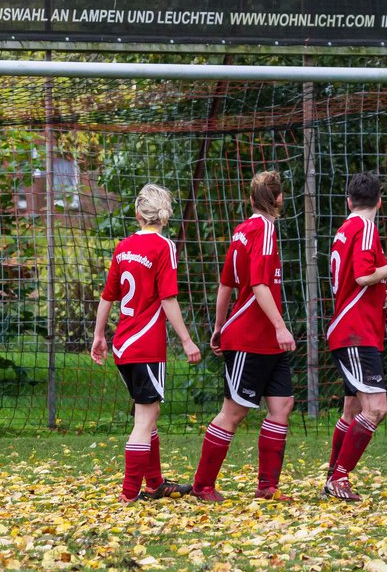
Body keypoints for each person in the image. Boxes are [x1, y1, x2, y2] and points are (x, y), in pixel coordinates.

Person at [90, 184, 202, 503]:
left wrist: (99, 336)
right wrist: (186, 340)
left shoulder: (123, 246)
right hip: (147, 345)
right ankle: (128, 494)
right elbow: (168, 298)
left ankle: (155, 484)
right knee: (144, 421)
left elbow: (107, 296)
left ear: (138, 214)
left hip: (123, 345)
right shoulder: (164, 247)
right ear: (164, 216)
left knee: (148, 417)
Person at [189, 169, 296, 502]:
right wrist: (279, 325)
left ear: (251, 199)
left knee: (282, 405)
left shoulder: (242, 230)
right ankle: (202, 485)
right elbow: (258, 285)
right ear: (278, 199)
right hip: (252, 338)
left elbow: (226, 285)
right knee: (233, 413)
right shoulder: (262, 230)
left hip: (263, 340)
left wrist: (219, 326)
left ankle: (267, 487)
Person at [323, 172, 387, 502]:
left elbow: (364, 274)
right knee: (376, 409)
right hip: (357, 332)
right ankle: (339, 478)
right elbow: (363, 275)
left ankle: (333, 475)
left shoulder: (346, 229)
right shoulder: (366, 228)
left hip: (352, 328)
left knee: (352, 410)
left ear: (349, 201)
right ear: (380, 202)